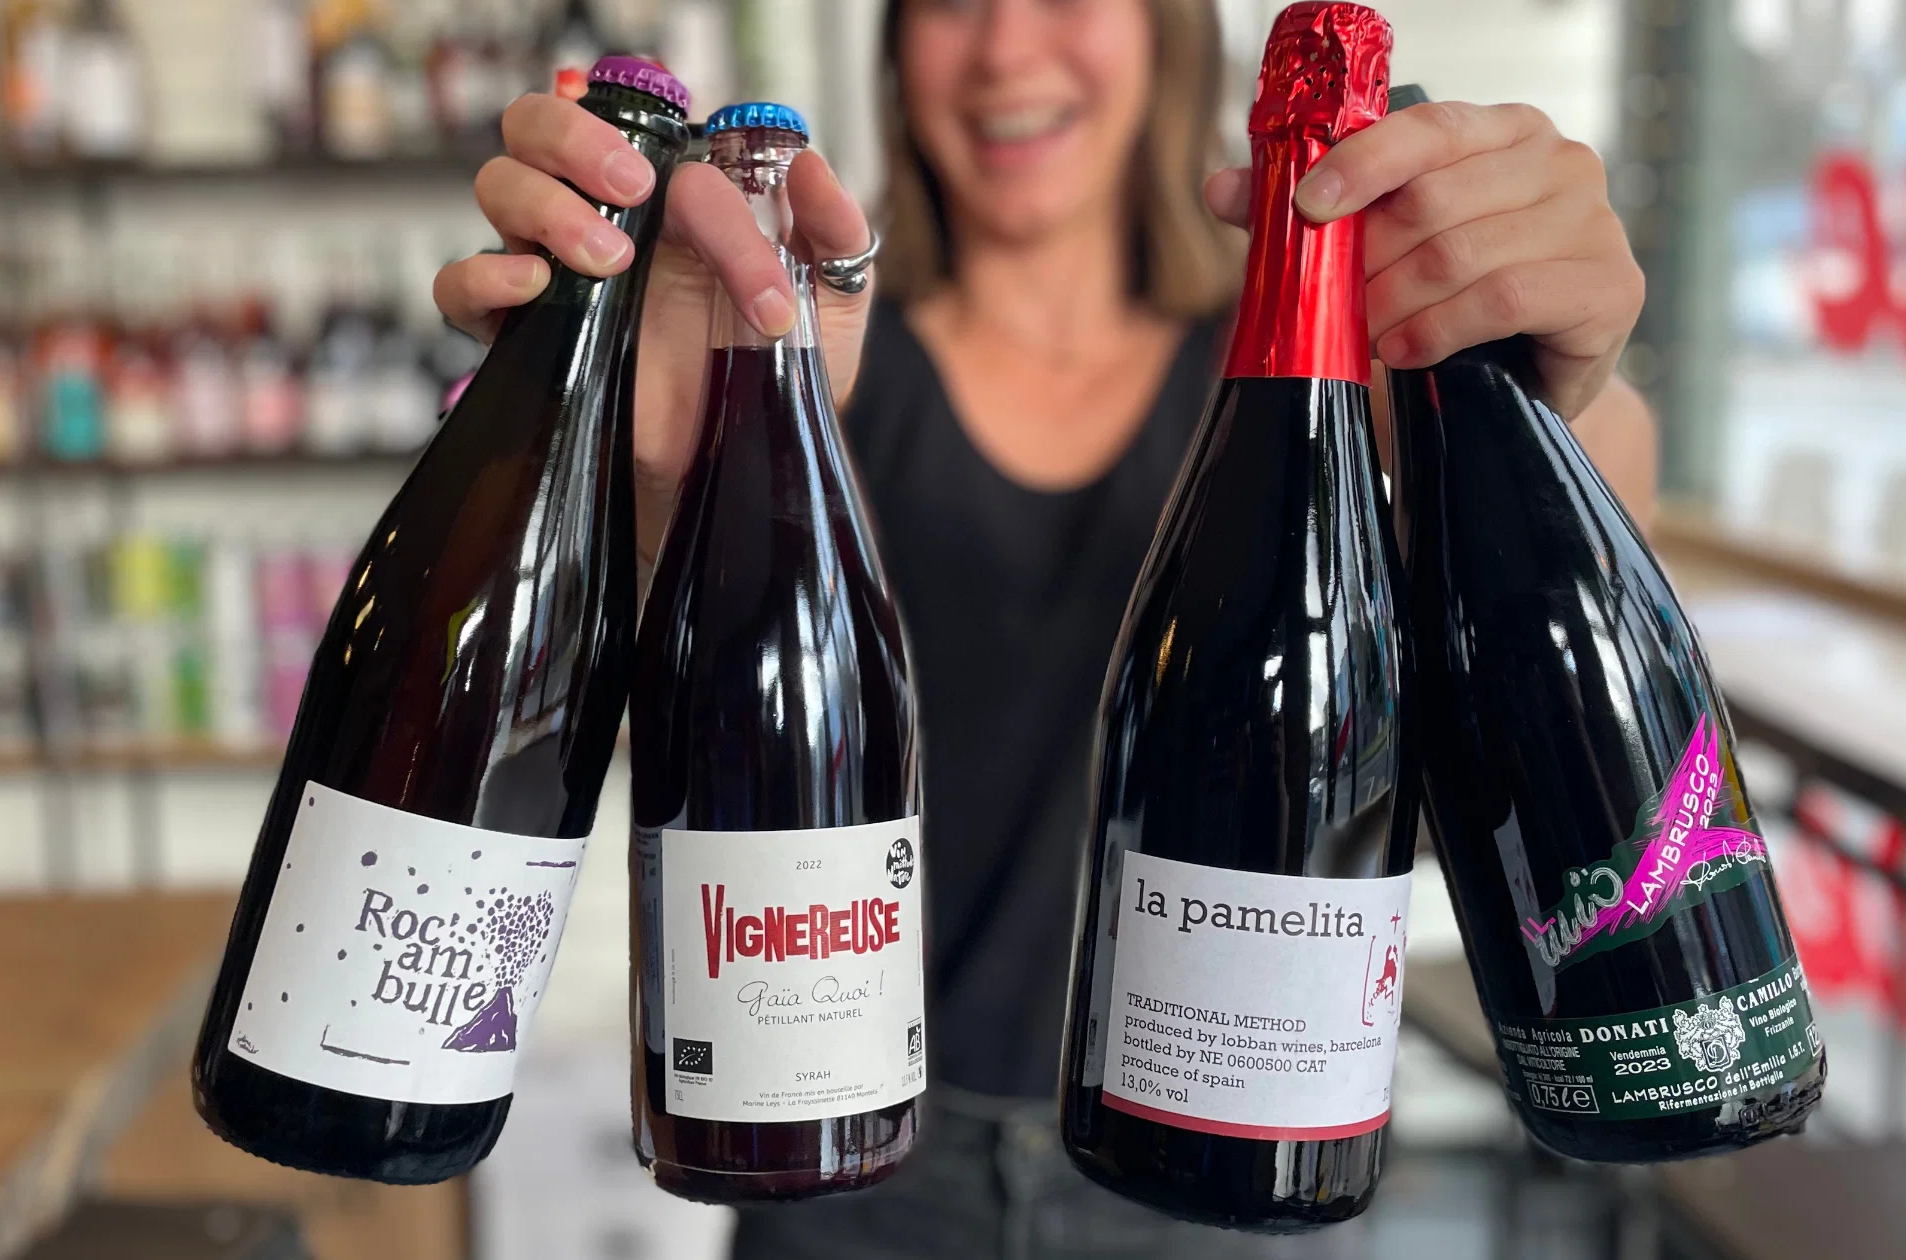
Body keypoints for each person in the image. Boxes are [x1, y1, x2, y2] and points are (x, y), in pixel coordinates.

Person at [437, 0, 1653, 1255]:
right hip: (843, 1152)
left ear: (1165, 31)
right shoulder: (794, 346)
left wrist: (1548, 385)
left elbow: (1563, 620)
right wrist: (644, 486)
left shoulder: (1330, 359)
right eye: (952, 3)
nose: (1007, 48)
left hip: (1234, 1147)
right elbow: (684, 730)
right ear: (896, 52)